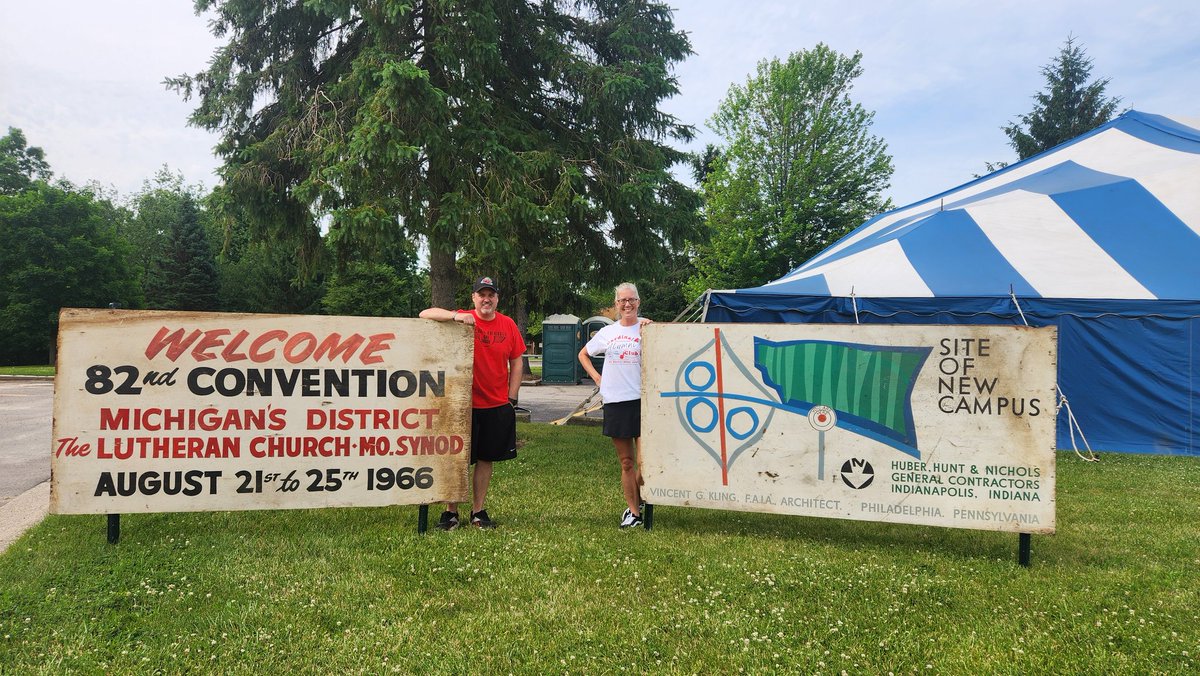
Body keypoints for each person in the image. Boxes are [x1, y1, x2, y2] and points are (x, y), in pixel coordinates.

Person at [420, 276, 525, 530]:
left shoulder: (508, 324)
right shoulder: (463, 318)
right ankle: (450, 513)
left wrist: (511, 397)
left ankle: (478, 511)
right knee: (456, 458)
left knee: (485, 458)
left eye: (491, 295)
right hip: (461, 404)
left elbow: (517, 361)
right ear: (473, 298)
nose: (486, 299)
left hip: (495, 404)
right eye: (481, 294)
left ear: (497, 299)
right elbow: (425, 313)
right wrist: (455, 316)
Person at [578, 282, 651, 529]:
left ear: (638, 302)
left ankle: (639, 498)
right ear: (616, 304)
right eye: (622, 300)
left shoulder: (647, 328)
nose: (627, 304)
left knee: (646, 461)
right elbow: (583, 354)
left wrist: (652, 329)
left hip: (644, 401)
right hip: (616, 401)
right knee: (627, 462)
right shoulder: (608, 332)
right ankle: (633, 512)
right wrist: (598, 378)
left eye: (631, 300)